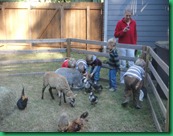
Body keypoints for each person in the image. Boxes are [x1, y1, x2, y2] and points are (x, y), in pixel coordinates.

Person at [114, 8, 137, 83]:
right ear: (124, 15)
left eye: (129, 15)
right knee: (123, 63)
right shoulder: (119, 23)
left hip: (131, 46)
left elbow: (135, 34)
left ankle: (131, 79)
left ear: (131, 15)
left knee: (131, 63)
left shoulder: (134, 23)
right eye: (126, 15)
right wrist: (123, 31)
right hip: (122, 46)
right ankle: (122, 80)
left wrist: (134, 45)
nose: (128, 17)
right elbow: (116, 35)